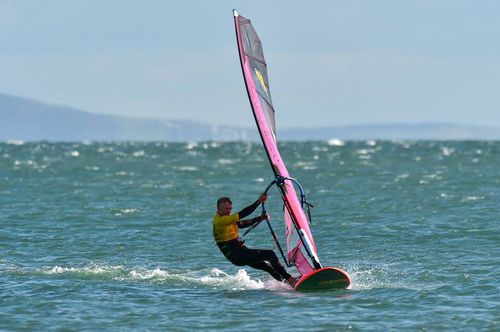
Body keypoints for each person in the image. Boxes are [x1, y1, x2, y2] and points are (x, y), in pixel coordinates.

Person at [213, 194, 298, 286]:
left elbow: (242, 223)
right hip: (238, 255)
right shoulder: (220, 221)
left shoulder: (227, 219)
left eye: (230, 209)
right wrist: (258, 202)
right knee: (270, 254)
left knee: (267, 267)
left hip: (241, 252)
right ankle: (290, 279)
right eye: (226, 209)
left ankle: (286, 283)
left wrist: (259, 218)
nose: (228, 211)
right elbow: (243, 213)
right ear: (218, 209)